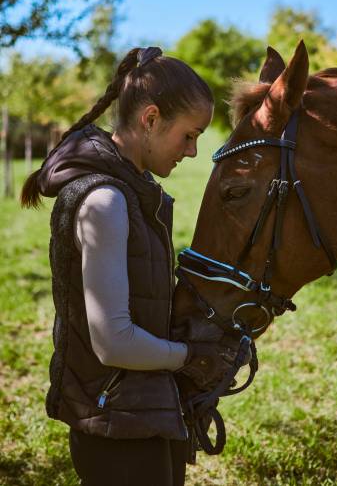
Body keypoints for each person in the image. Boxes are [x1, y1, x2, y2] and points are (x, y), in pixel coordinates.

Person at [21, 47, 235, 486]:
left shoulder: (134, 193)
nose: (193, 152)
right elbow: (114, 343)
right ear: (151, 119)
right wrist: (190, 358)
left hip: (140, 409)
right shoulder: (106, 201)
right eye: (189, 136)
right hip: (115, 423)